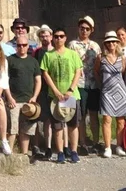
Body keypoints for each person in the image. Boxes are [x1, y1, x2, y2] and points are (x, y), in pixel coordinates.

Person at [41, 27, 82, 164]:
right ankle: (59, 152)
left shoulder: (72, 54)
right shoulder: (48, 55)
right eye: (56, 36)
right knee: (57, 126)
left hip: (71, 95)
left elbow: (78, 71)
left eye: (61, 36)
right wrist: (56, 92)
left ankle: (74, 151)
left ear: (65, 38)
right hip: (55, 96)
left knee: (72, 124)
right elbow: (45, 74)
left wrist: (70, 89)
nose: (58, 38)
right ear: (53, 38)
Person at [68, 15, 101, 154]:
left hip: (93, 83)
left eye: (87, 29)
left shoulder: (95, 46)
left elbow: (99, 63)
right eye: (82, 28)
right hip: (79, 84)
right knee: (80, 114)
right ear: (78, 28)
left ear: (91, 30)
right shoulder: (72, 45)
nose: (84, 31)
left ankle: (95, 141)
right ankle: (82, 142)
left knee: (94, 114)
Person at [7, 34, 42, 155]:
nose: (21, 47)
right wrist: (9, 97)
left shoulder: (33, 61)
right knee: (12, 129)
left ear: (28, 46)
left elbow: (38, 80)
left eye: (24, 45)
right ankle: (9, 154)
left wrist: (34, 97)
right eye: (19, 45)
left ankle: (24, 155)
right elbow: (4, 80)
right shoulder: (10, 60)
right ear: (16, 46)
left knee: (26, 130)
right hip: (14, 101)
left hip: (29, 101)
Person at [96, 31, 126, 158]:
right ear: (105, 43)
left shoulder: (123, 58)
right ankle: (108, 147)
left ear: (117, 43)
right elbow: (96, 71)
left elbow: (124, 73)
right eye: (109, 41)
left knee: (121, 121)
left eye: (114, 41)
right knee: (107, 119)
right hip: (106, 91)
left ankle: (119, 146)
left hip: (120, 91)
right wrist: (101, 85)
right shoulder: (101, 57)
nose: (111, 43)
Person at [32, 24, 55, 159]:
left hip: (55, 88)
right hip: (41, 88)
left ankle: (50, 146)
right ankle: (37, 146)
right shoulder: (37, 52)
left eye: (46, 35)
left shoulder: (56, 51)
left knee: (54, 119)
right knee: (39, 117)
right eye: (42, 36)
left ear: (51, 36)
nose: (45, 38)